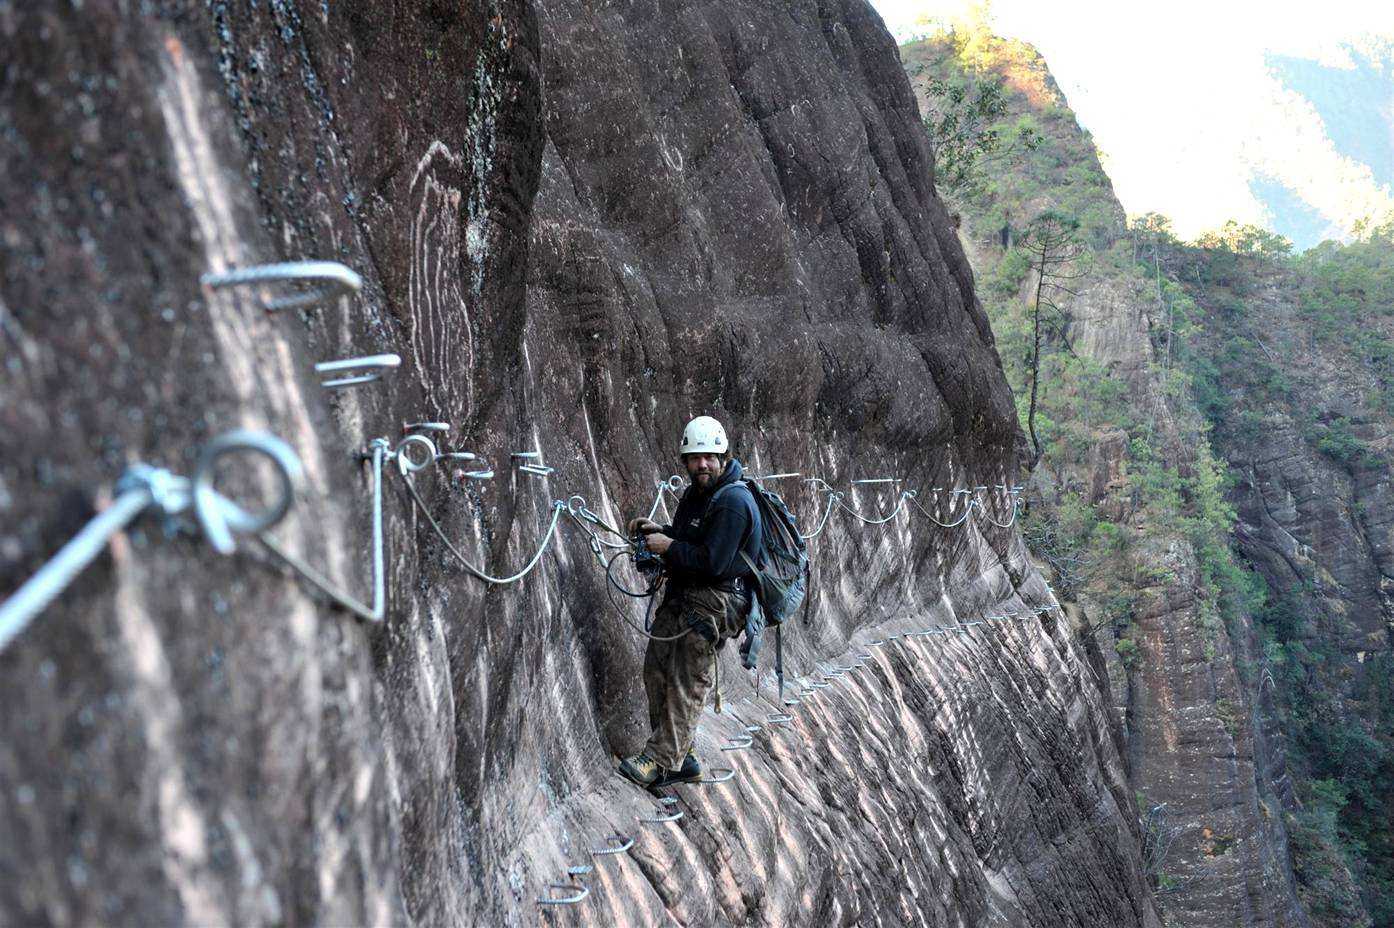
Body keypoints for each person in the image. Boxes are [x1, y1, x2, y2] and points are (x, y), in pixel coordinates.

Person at [618, 415, 762, 788]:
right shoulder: (697, 495)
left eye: (709, 457)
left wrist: (669, 547)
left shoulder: (733, 501)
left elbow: (712, 562)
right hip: (688, 593)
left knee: (688, 675)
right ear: (685, 460)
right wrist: (659, 533)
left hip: (718, 602)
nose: (701, 465)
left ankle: (660, 760)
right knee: (657, 667)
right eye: (695, 458)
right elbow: (687, 540)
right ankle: (679, 755)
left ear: (723, 456)